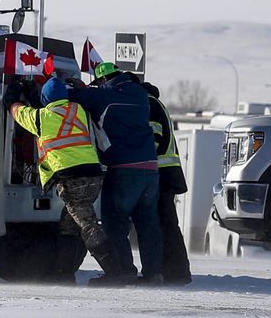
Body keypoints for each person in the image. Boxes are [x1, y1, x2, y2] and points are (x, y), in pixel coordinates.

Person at [4, 75, 122, 284]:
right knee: (68, 225)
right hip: (93, 175)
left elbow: (14, 109)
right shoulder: (78, 111)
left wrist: (14, 90)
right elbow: (55, 107)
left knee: (88, 225)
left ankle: (115, 273)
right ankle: (63, 273)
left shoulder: (41, 118)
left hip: (71, 179)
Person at [67, 61, 163, 284]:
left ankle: (123, 272)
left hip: (124, 169)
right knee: (148, 225)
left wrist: (78, 88)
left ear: (103, 80)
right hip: (150, 170)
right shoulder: (139, 94)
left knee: (115, 223)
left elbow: (69, 96)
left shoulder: (103, 97)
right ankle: (154, 274)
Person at [143, 81, 192, 284]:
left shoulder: (149, 104)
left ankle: (176, 272)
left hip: (160, 173)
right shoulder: (155, 102)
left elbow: (154, 137)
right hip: (165, 172)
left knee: (165, 223)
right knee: (167, 223)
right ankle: (176, 271)